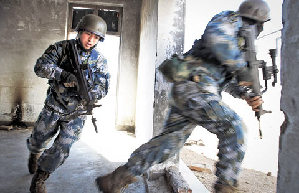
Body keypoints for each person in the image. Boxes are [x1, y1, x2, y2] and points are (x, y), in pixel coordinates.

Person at [95, 0, 270, 193]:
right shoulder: (230, 19)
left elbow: (225, 79)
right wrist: (241, 67)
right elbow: (215, 38)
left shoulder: (239, 45)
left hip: (191, 92)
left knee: (168, 143)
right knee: (233, 127)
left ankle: (116, 179)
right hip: (195, 89)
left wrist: (245, 93)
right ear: (257, 21)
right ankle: (225, 188)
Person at [26, 14, 110, 193]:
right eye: (88, 34)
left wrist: (91, 93)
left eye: (96, 37)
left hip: (77, 114)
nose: (91, 40)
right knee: (38, 139)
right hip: (54, 107)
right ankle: (35, 152)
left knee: (61, 149)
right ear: (80, 31)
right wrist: (62, 74)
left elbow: (104, 87)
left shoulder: (100, 60)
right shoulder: (61, 48)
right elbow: (40, 67)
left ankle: (40, 177)